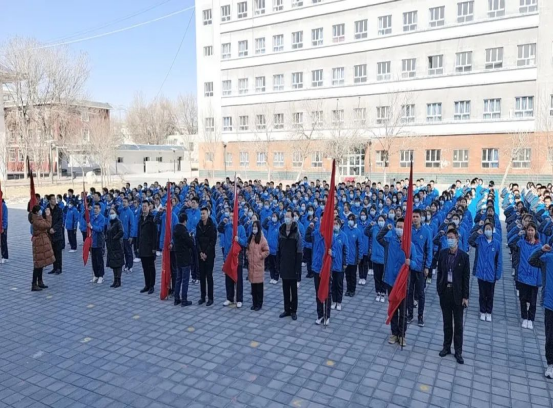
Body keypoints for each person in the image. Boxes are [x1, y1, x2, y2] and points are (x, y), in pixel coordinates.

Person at [377, 219, 421, 347]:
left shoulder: (410, 245)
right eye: (398, 226)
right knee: (393, 309)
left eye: (402, 227)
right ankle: (394, 333)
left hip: (403, 283)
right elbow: (378, 238)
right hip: (391, 280)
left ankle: (402, 335)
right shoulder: (389, 242)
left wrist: (410, 263)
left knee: (403, 310)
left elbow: (416, 264)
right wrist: (387, 228)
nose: (399, 229)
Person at [436, 229, 470, 364]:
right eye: (448, 238)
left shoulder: (464, 256)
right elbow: (439, 272)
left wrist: (465, 297)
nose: (450, 240)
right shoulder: (443, 253)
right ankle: (446, 347)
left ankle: (458, 351)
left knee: (458, 324)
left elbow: (466, 278)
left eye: (452, 238)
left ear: (457, 239)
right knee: (447, 322)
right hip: (445, 291)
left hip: (458, 294)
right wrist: (439, 288)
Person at [469, 222, 502, 322]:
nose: (488, 231)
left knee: (490, 295)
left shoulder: (497, 243)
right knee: (482, 294)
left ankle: (489, 311)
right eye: (486, 229)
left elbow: (499, 260)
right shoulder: (480, 241)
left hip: (491, 274)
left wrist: (498, 274)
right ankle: (482, 311)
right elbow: (470, 241)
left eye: (489, 229)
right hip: (481, 273)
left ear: (492, 230)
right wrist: (476, 233)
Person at [528, 243, 553, 379]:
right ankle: (550, 364)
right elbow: (531, 260)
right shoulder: (548, 258)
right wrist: (541, 250)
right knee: (550, 336)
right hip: (550, 303)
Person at [511, 223, 542, 329]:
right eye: (528, 230)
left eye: (532, 230)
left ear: (535, 231)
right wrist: (518, 234)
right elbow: (511, 243)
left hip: (534, 277)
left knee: (533, 301)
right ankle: (524, 317)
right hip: (523, 276)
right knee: (523, 299)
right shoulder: (521, 243)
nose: (530, 232)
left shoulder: (539, 246)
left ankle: (531, 319)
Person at [407, 209, 433, 327]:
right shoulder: (408, 231)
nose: (415, 219)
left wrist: (427, 266)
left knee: (421, 293)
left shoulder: (426, 232)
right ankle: (410, 314)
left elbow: (429, 249)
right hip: (409, 266)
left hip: (421, 266)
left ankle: (420, 316)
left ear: (421, 217)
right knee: (409, 291)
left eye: (417, 216)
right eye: (413, 216)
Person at [277, 210, 303, 321]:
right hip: (284, 265)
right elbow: (278, 249)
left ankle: (293, 310)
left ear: (292, 218)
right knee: (285, 290)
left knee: (294, 291)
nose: (286, 218)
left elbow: (299, 251)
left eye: (288, 216)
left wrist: (298, 269)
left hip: (293, 266)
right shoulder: (281, 231)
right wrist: (278, 264)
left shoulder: (296, 233)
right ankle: (286, 309)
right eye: (285, 216)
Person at [219, 209, 247, 307]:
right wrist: (223, 222)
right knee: (228, 278)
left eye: (233, 216)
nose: (231, 218)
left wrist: (239, 239)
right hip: (228, 255)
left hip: (237, 256)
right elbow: (219, 229)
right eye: (230, 216)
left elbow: (245, 242)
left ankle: (239, 299)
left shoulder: (241, 228)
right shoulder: (227, 226)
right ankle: (229, 298)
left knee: (238, 278)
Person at [172, 212, 195, 307]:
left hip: (178, 257)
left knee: (178, 279)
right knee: (185, 280)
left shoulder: (175, 229)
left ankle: (176, 298)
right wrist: (191, 237)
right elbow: (190, 243)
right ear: (185, 221)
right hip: (185, 258)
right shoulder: (184, 232)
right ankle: (184, 300)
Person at [246, 220, 269, 311]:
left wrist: (260, 256)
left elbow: (267, 251)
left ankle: (259, 304)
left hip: (258, 266)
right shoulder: (251, 237)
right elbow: (247, 248)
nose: (254, 228)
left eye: (256, 227)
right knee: (253, 287)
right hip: (251, 266)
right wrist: (248, 255)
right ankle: (254, 303)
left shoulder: (262, 238)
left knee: (259, 287)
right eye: (253, 227)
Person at [30, 205, 54, 291]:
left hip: (42, 242)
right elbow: (47, 225)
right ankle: (34, 284)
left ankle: (40, 281)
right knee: (37, 265)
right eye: (40, 210)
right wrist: (48, 215)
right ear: (37, 212)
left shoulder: (38, 218)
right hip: (39, 243)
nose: (41, 211)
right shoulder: (36, 220)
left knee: (41, 264)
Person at [196, 206, 217, 306]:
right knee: (202, 276)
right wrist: (200, 252)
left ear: (208, 214)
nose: (202, 215)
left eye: (203, 213)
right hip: (200, 255)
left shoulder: (212, 226)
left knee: (209, 276)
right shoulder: (199, 225)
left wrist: (206, 253)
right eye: (201, 214)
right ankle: (202, 297)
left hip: (209, 255)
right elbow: (197, 240)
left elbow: (213, 241)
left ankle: (210, 298)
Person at [138, 201, 157, 294]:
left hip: (150, 247)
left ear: (149, 207)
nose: (144, 208)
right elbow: (138, 233)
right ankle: (147, 284)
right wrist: (137, 246)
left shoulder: (152, 219)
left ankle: (152, 286)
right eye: (143, 206)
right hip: (142, 247)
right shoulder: (140, 218)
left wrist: (154, 247)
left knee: (151, 267)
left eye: (145, 206)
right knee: (144, 267)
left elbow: (155, 234)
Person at [105, 209, 124, 288]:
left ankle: (118, 280)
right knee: (113, 264)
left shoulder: (118, 222)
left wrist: (114, 238)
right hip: (111, 246)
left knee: (118, 264)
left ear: (116, 213)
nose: (111, 215)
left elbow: (121, 232)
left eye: (112, 213)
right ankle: (115, 280)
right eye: (110, 213)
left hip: (117, 246)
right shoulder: (110, 223)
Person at [47, 194, 64, 275]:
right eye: (53, 199)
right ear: (49, 201)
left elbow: (60, 221)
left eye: (55, 199)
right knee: (52, 252)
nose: (54, 200)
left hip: (57, 234)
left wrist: (54, 229)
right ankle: (54, 267)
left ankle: (59, 268)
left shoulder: (59, 209)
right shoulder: (46, 210)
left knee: (58, 252)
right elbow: (45, 220)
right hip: (50, 234)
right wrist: (49, 229)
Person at [89, 203, 106, 284]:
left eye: (97, 208)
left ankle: (101, 276)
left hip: (99, 241)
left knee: (99, 260)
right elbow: (85, 218)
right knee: (94, 260)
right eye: (94, 208)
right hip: (92, 241)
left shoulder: (102, 218)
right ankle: (95, 274)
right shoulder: (92, 216)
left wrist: (92, 227)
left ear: (100, 209)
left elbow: (100, 229)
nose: (95, 209)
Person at [118, 197, 136, 273]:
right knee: (124, 252)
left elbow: (132, 225)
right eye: (123, 202)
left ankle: (130, 266)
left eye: (125, 202)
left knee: (129, 252)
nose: (124, 203)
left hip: (128, 236)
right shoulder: (121, 211)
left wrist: (131, 236)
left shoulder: (130, 212)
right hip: (122, 236)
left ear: (128, 203)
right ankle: (126, 265)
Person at [1, 198, 8, 263]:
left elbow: (5, 218)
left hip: (2, 226)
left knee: (3, 241)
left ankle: (5, 257)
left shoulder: (3, 206)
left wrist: (3, 227)